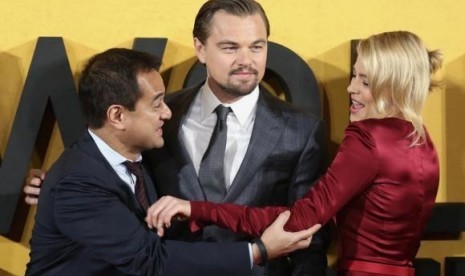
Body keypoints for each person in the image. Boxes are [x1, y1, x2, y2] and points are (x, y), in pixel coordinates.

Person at [25, 1, 330, 275]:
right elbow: (103, 163)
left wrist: (53, 184)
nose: (246, 60)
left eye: (257, 46)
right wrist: (54, 183)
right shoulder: (159, 118)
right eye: (229, 47)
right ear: (200, 49)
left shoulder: (301, 131)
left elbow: (309, 237)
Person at [146, 31, 443, 276]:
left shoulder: (367, 139)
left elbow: (300, 221)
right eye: (354, 76)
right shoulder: (422, 140)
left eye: (365, 82)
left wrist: (200, 209)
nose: (351, 88)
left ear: (392, 86)